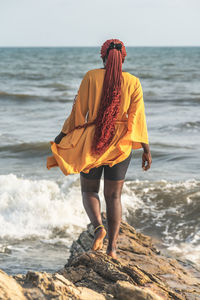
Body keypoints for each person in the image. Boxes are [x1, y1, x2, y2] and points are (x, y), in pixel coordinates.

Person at [46, 39, 152, 259]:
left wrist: (61, 136)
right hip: (120, 145)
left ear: (102, 57)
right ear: (123, 58)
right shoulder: (133, 82)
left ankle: (98, 228)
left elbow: (78, 112)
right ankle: (112, 249)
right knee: (113, 197)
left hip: (92, 141)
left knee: (89, 191)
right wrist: (146, 149)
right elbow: (138, 119)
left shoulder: (91, 77)